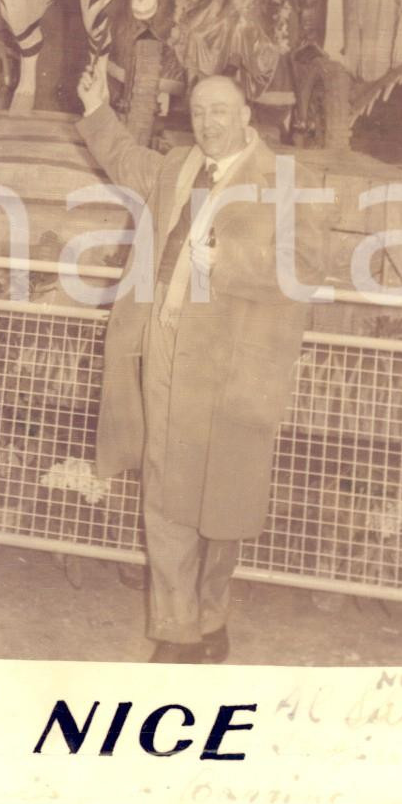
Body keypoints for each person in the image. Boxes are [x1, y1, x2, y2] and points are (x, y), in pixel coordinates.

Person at [76, 67, 323, 663]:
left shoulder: (290, 181)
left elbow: (306, 269)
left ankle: (211, 614)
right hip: (166, 340)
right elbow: (124, 159)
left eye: (220, 111)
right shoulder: (177, 167)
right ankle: (176, 627)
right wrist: (96, 108)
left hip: (235, 363)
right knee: (166, 481)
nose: (208, 123)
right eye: (199, 112)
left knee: (221, 498)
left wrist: (228, 261)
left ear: (247, 116)